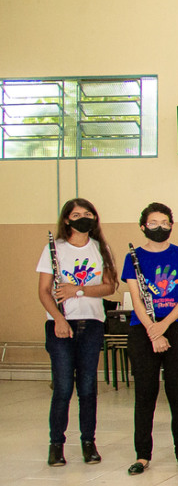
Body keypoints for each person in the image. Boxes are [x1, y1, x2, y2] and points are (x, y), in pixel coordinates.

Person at [37, 198, 118, 467]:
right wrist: (59, 319)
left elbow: (109, 287)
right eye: (77, 214)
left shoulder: (100, 248)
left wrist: (78, 290)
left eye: (88, 213)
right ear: (67, 219)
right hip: (60, 324)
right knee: (62, 387)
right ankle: (56, 445)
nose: (83, 217)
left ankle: (88, 443)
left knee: (87, 387)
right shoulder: (55, 249)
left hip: (92, 323)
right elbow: (44, 291)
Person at [123, 203, 178, 475]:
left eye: (165, 222)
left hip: (176, 328)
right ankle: (142, 455)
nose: (159, 227)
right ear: (143, 226)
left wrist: (164, 326)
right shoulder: (133, 257)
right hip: (143, 330)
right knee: (145, 393)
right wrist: (153, 331)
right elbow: (136, 299)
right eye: (153, 223)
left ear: (172, 225)